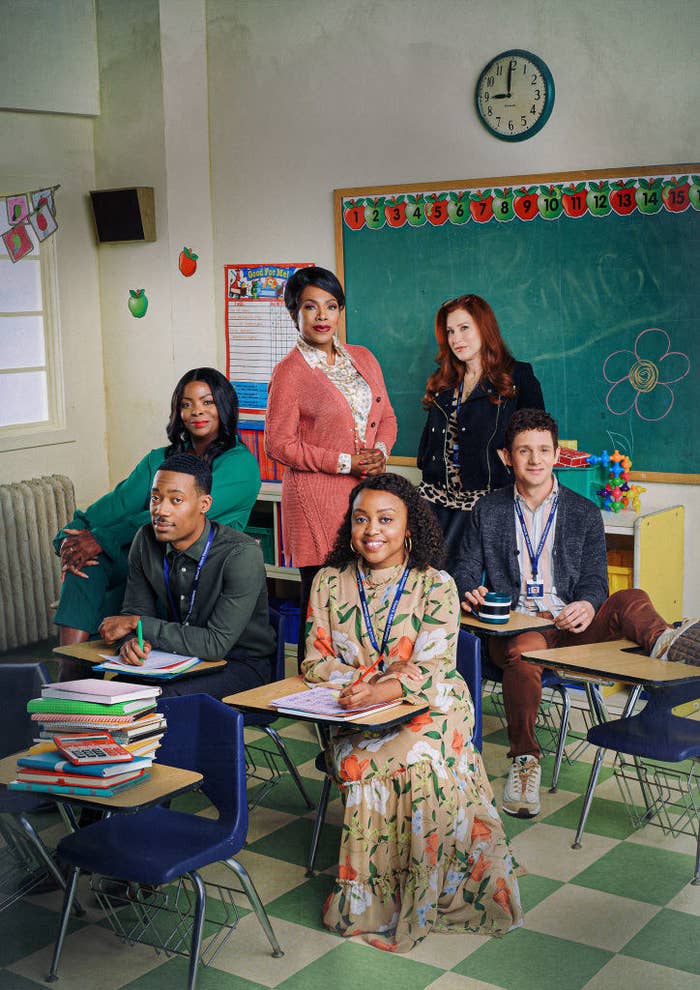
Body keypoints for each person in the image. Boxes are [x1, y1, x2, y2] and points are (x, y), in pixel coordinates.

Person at [301, 472, 523, 951]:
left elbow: (434, 663)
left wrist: (380, 686)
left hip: (434, 707)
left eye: (385, 519)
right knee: (363, 762)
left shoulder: (436, 584)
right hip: (353, 712)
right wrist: (363, 686)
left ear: (408, 528)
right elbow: (315, 661)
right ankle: (373, 901)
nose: (371, 530)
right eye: (361, 519)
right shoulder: (327, 581)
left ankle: (429, 891)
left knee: (421, 761)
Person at [454, 408, 699, 819]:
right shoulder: (488, 509)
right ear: (506, 457)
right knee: (523, 653)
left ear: (556, 457)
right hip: (523, 630)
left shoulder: (583, 511)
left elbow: (595, 582)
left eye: (544, 450)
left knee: (629, 597)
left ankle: (667, 645)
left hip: (573, 626)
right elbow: (461, 568)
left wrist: (586, 604)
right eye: (524, 451)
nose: (535, 460)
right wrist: (468, 588)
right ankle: (525, 760)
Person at [53, 367, 261, 677]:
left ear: (224, 406)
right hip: (152, 558)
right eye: (186, 404)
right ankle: (72, 681)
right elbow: (116, 505)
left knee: (99, 551)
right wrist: (70, 540)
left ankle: (83, 680)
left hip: (205, 568)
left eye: (207, 402)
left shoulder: (240, 464)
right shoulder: (159, 459)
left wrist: (101, 539)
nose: (197, 412)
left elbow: (169, 518)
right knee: (86, 568)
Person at [265, 266, 397, 666]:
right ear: (294, 314)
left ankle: (361, 690)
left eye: (331, 306)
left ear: (340, 312)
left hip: (365, 495)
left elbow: (386, 416)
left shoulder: (363, 358)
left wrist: (381, 453)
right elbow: (278, 444)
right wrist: (345, 462)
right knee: (323, 604)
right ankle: (318, 696)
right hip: (315, 500)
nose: (322, 316)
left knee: (366, 599)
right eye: (310, 307)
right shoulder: (289, 372)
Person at [98, 453, 275, 698]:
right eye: (155, 498)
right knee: (113, 692)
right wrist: (131, 641)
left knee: (162, 698)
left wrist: (137, 624)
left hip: (240, 664)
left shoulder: (241, 554)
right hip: (174, 658)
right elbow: (134, 612)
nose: (161, 510)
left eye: (176, 500)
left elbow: (215, 645)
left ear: (204, 505)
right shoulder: (145, 540)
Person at [417, 294, 544, 572]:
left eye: (464, 328)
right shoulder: (444, 380)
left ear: (484, 329)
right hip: (436, 503)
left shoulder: (517, 376)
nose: (455, 338)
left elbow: (538, 439)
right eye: (450, 331)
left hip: (487, 504)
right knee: (428, 584)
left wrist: (511, 461)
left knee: (467, 587)